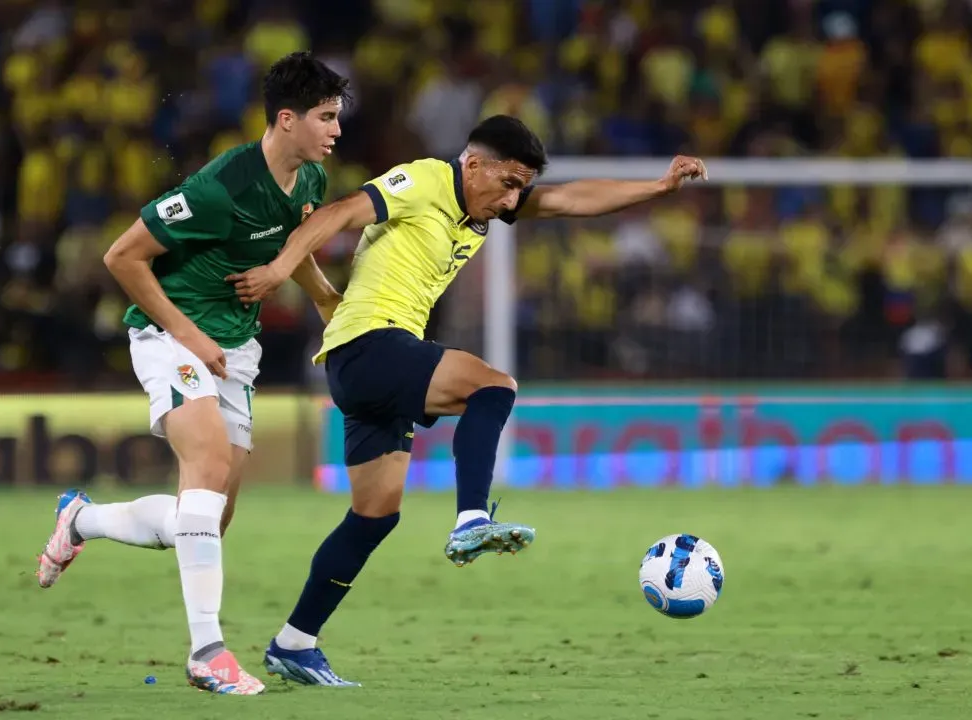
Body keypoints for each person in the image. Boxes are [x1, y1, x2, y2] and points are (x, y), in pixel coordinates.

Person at [227, 114, 707, 686]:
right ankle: (471, 518)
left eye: (519, 189)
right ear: (472, 164)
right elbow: (336, 214)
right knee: (494, 386)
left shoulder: (490, 204)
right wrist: (282, 271)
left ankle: (294, 643)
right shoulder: (425, 180)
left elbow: (570, 200)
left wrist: (657, 187)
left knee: (374, 514)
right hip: (370, 344)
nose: (511, 201)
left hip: (368, 364)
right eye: (506, 183)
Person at [35, 52, 349, 696]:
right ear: (286, 119)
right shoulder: (219, 187)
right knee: (203, 466)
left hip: (235, 349)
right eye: (325, 117)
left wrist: (328, 305)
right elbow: (121, 257)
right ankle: (208, 652)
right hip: (169, 334)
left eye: (337, 117)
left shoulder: (311, 181)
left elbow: (295, 246)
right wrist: (190, 333)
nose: (336, 131)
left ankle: (81, 521)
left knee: (205, 517)